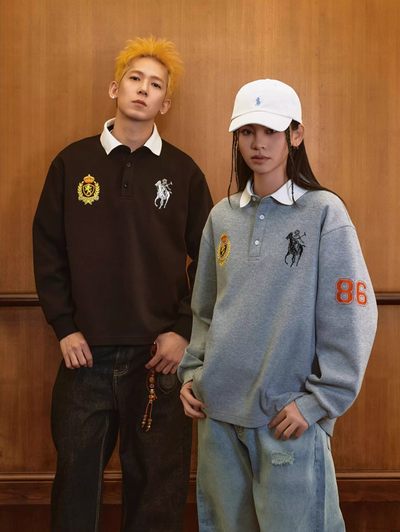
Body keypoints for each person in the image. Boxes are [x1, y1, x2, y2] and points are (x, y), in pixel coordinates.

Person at [178, 79, 377, 532]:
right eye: (247, 132)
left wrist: (319, 401)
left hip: (288, 419)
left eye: (271, 131)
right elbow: (204, 310)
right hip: (217, 417)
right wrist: (192, 374)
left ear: (296, 134)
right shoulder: (221, 216)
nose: (259, 143)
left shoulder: (324, 212)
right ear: (236, 138)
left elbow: (353, 314)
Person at [33, 36, 213, 532]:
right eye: (135, 78)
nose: (143, 89)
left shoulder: (184, 172)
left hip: (159, 359)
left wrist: (184, 331)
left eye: (155, 85)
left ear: (164, 104)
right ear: (115, 88)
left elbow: (211, 263)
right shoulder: (71, 163)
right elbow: (47, 249)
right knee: (75, 488)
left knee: (158, 489)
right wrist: (64, 326)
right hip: (84, 354)